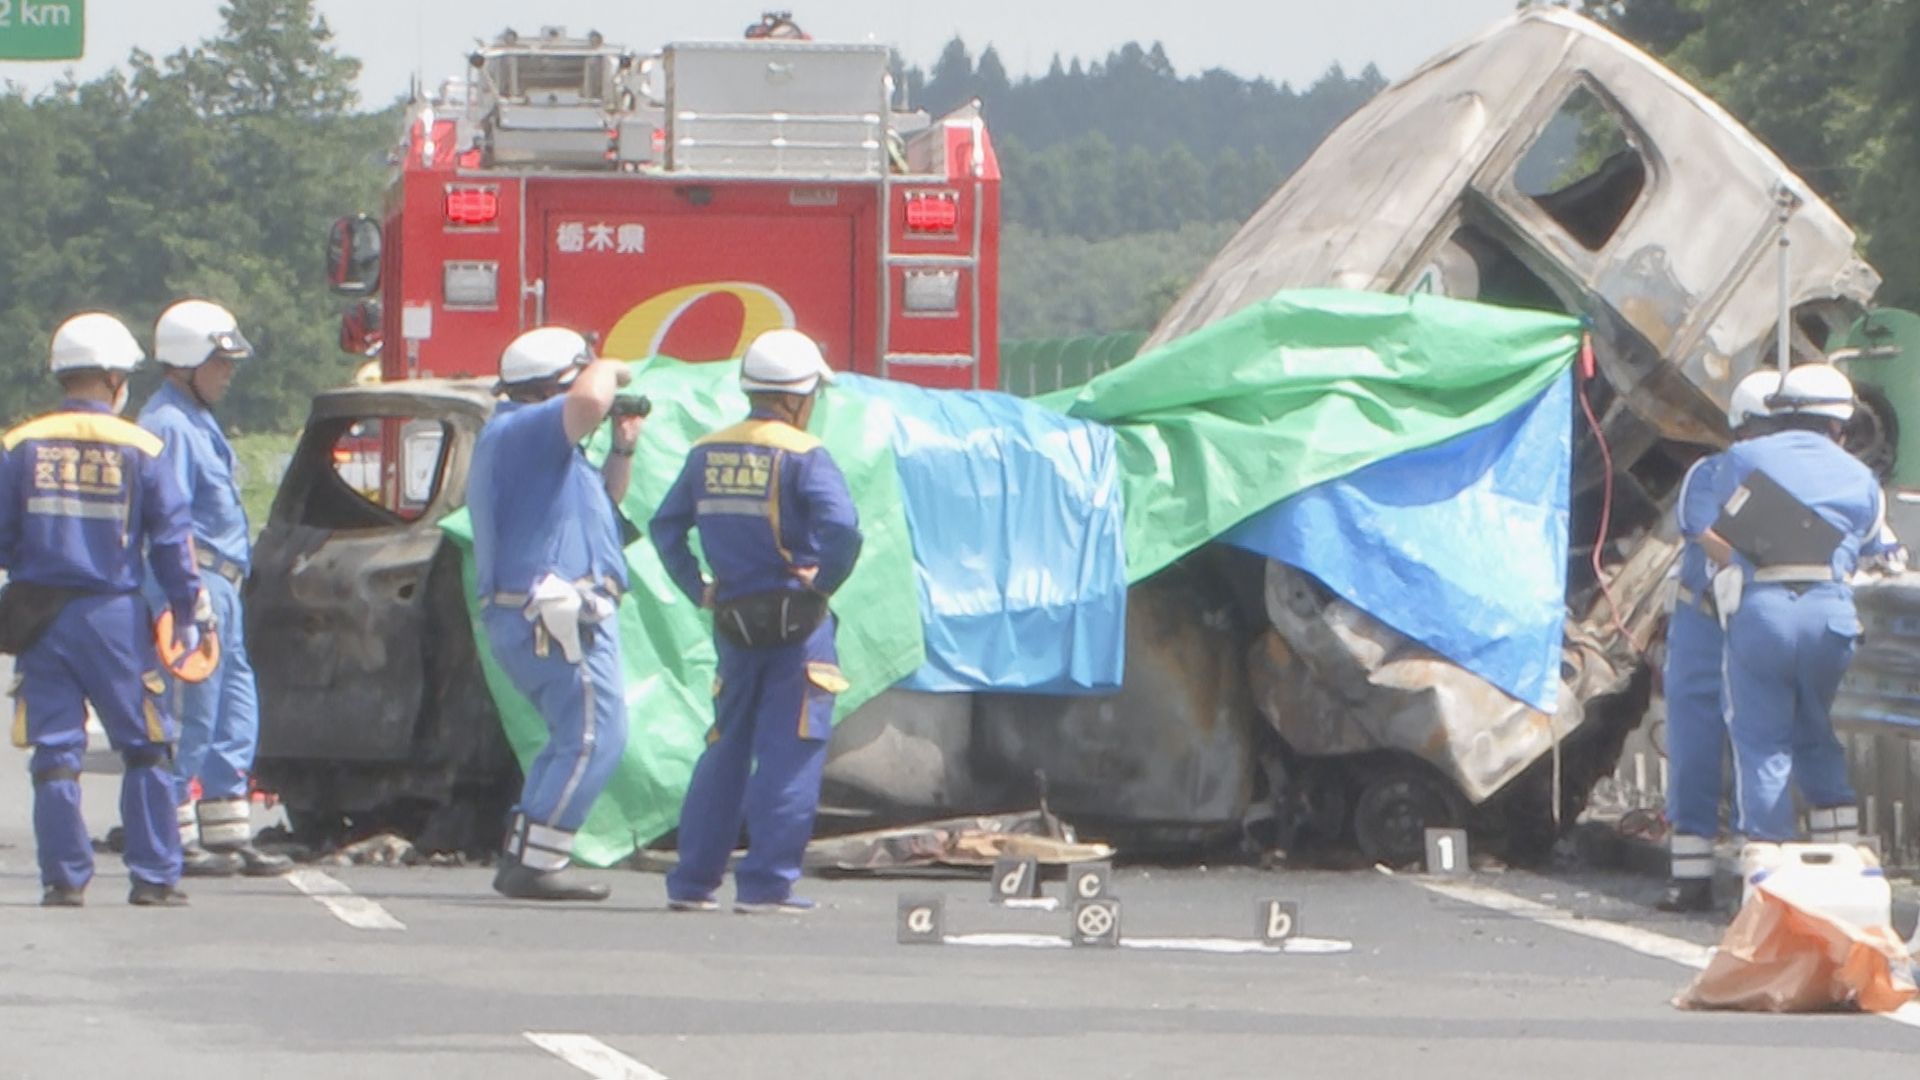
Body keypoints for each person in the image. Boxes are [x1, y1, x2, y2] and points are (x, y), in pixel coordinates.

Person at [0, 312, 210, 907]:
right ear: (116, 379)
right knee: (145, 745)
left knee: (56, 752)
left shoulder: (19, 445)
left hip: (40, 616)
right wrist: (189, 611)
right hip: (114, 618)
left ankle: (64, 880)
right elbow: (172, 540)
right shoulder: (142, 447)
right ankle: (152, 876)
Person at [652, 329, 863, 914]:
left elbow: (666, 527)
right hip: (798, 624)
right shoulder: (804, 455)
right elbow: (844, 529)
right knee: (790, 750)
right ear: (798, 396)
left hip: (734, 621)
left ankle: (693, 884)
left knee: (724, 746)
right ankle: (767, 885)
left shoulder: (706, 453)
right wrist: (822, 582)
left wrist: (699, 588)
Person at [468, 326, 643, 901]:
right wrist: (609, 368)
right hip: (550, 616)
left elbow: (605, 504)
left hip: (552, 615)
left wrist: (623, 447)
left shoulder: (544, 452)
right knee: (596, 735)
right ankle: (538, 862)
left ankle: (526, 850)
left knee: (574, 734)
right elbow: (588, 400)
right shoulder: (520, 430)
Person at [139, 299, 292, 878]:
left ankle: (227, 833)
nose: (228, 374)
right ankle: (169, 830)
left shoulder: (196, 418)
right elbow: (165, 520)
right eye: (220, 363)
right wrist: (185, 595)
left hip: (221, 584)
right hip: (192, 581)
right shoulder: (169, 425)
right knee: (190, 708)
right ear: (185, 363)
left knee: (234, 709)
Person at [1702, 362, 1881, 846]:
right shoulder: (1862, 476)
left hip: (1763, 611)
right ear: (1838, 424)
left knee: (1761, 741)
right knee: (1816, 729)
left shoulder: (1743, 458)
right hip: (1831, 616)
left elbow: (1722, 520)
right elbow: (1869, 542)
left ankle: (1768, 867)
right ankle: (1839, 854)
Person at [1657, 369, 1780, 912]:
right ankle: (1691, 875)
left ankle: (1767, 878)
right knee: (1695, 740)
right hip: (1704, 621)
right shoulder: (1709, 474)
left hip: (1761, 617)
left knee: (1766, 748)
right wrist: (1765, 563)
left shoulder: (1799, 474)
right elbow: (1704, 533)